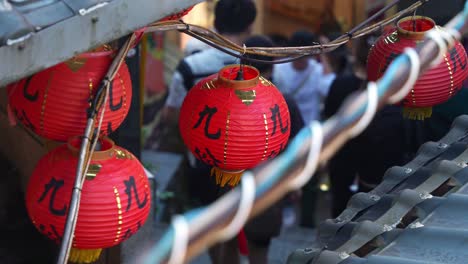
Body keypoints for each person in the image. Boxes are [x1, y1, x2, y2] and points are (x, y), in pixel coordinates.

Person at [161, 1, 257, 263]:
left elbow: (171, 114)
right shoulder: (258, 64)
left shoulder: (191, 67)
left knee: (213, 221)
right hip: (249, 158)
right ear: (249, 26)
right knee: (241, 220)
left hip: (204, 158)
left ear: (215, 24)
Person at [323, 33, 408, 217]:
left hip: (344, 163)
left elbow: (329, 121)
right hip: (384, 168)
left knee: (342, 221)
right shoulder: (396, 90)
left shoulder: (340, 85)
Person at [241, 35, 305, 264]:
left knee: (225, 243)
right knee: (259, 250)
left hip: (228, 184)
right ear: (273, 63)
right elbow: (299, 147)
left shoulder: (228, 97)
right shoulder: (283, 101)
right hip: (267, 185)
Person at [272, 30, 336, 125]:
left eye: (306, 53)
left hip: (309, 130)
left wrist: (324, 53)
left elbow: (328, 88)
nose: (302, 57)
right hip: (285, 126)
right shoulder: (278, 69)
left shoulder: (316, 70)